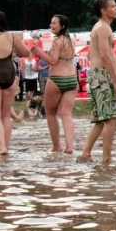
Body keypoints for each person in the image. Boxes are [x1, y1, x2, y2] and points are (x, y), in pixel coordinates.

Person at [79, 0, 116, 164]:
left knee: (100, 119)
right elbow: (104, 55)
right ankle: (106, 158)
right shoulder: (104, 28)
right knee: (111, 119)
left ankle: (86, 153)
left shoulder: (98, 27)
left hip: (97, 74)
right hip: (103, 74)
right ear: (103, 11)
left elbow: (91, 54)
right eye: (113, 6)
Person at [31, 14, 78, 153]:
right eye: (51, 23)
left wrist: (38, 52)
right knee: (66, 113)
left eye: (54, 23)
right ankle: (69, 146)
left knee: (51, 113)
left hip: (57, 79)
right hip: (71, 78)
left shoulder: (57, 41)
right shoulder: (70, 40)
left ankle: (56, 147)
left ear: (62, 26)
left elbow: (52, 61)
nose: (51, 25)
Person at [0, 14, 31, 155]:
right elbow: (26, 52)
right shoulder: (12, 36)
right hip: (10, 75)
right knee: (5, 116)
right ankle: (6, 146)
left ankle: (1, 148)